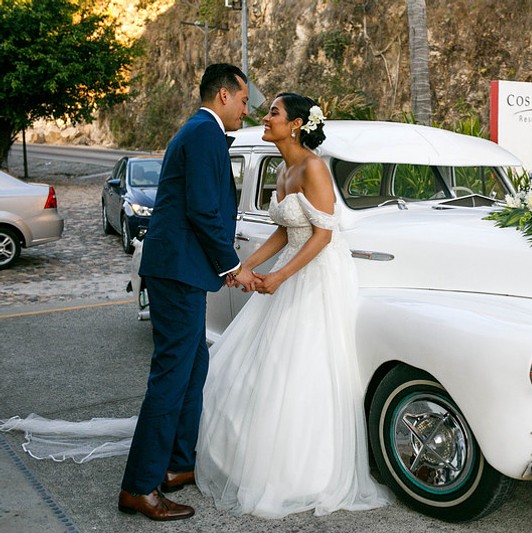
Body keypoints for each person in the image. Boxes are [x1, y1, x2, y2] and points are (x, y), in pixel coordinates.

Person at [194, 93, 389, 517]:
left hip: (317, 274)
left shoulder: (314, 168)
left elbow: (323, 235)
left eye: (274, 113)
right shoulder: (282, 168)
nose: (265, 118)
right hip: (290, 264)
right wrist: (245, 265)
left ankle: (305, 472)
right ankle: (251, 456)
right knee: (262, 363)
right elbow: (285, 231)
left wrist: (280, 277)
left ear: (297, 124)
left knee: (301, 364)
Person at [118, 63, 257, 521]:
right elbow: (201, 208)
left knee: (194, 366)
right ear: (222, 95)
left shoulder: (201, 132)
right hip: (177, 270)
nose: (246, 108)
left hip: (183, 269)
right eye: (242, 99)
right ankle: (140, 486)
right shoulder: (201, 133)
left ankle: (178, 464)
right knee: (172, 375)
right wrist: (232, 265)